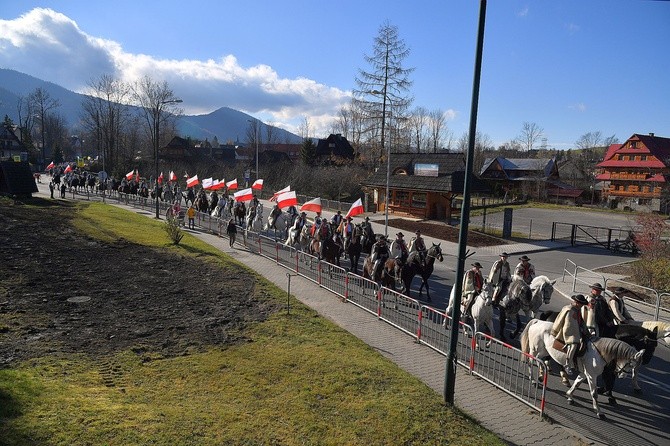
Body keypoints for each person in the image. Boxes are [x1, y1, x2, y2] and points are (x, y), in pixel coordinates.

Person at [551, 293, 590, 376]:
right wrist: (574, 335)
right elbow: (568, 324)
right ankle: (567, 364)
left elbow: (581, 321)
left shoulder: (577, 310)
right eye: (581, 304)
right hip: (568, 332)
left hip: (576, 330)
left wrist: (585, 329)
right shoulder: (569, 309)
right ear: (576, 302)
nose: (582, 306)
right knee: (574, 345)